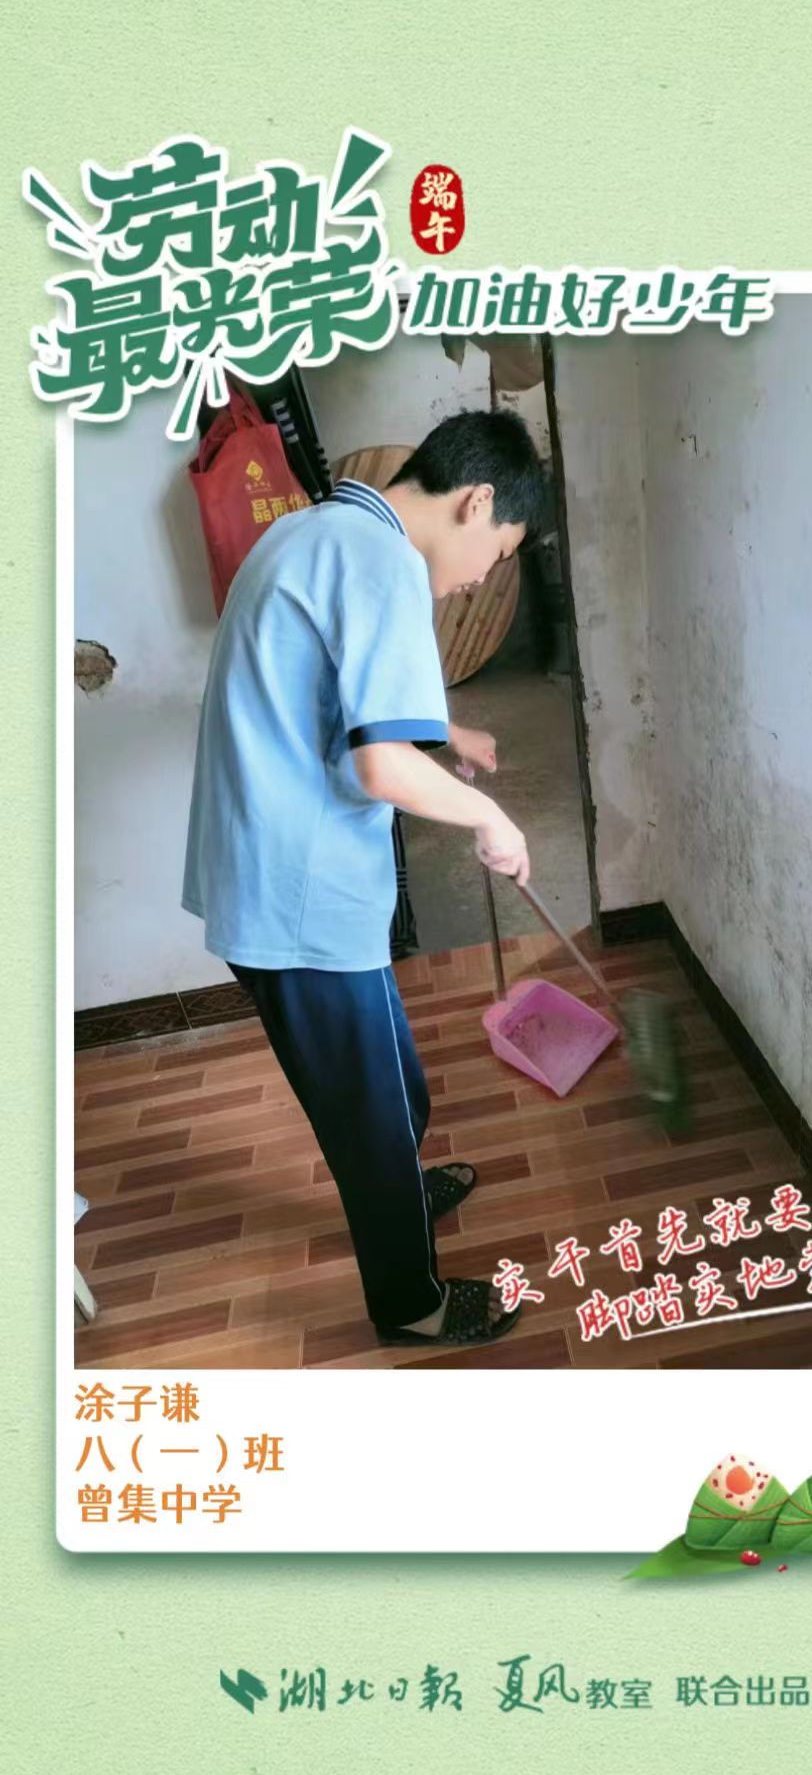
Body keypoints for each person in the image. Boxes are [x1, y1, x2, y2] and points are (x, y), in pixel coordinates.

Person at [182, 408, 547, 1349]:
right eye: (500, 550)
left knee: (395, 1087)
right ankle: (410, 1305)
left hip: (273, 874)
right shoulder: (384, 564)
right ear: (476, 501)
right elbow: (381, 767)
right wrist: (493, 819)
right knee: (370, 1113)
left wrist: (447, 732)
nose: (484, 576)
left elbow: (335, 697)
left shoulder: (315, 531)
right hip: (297, 894)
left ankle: (402, 1186)